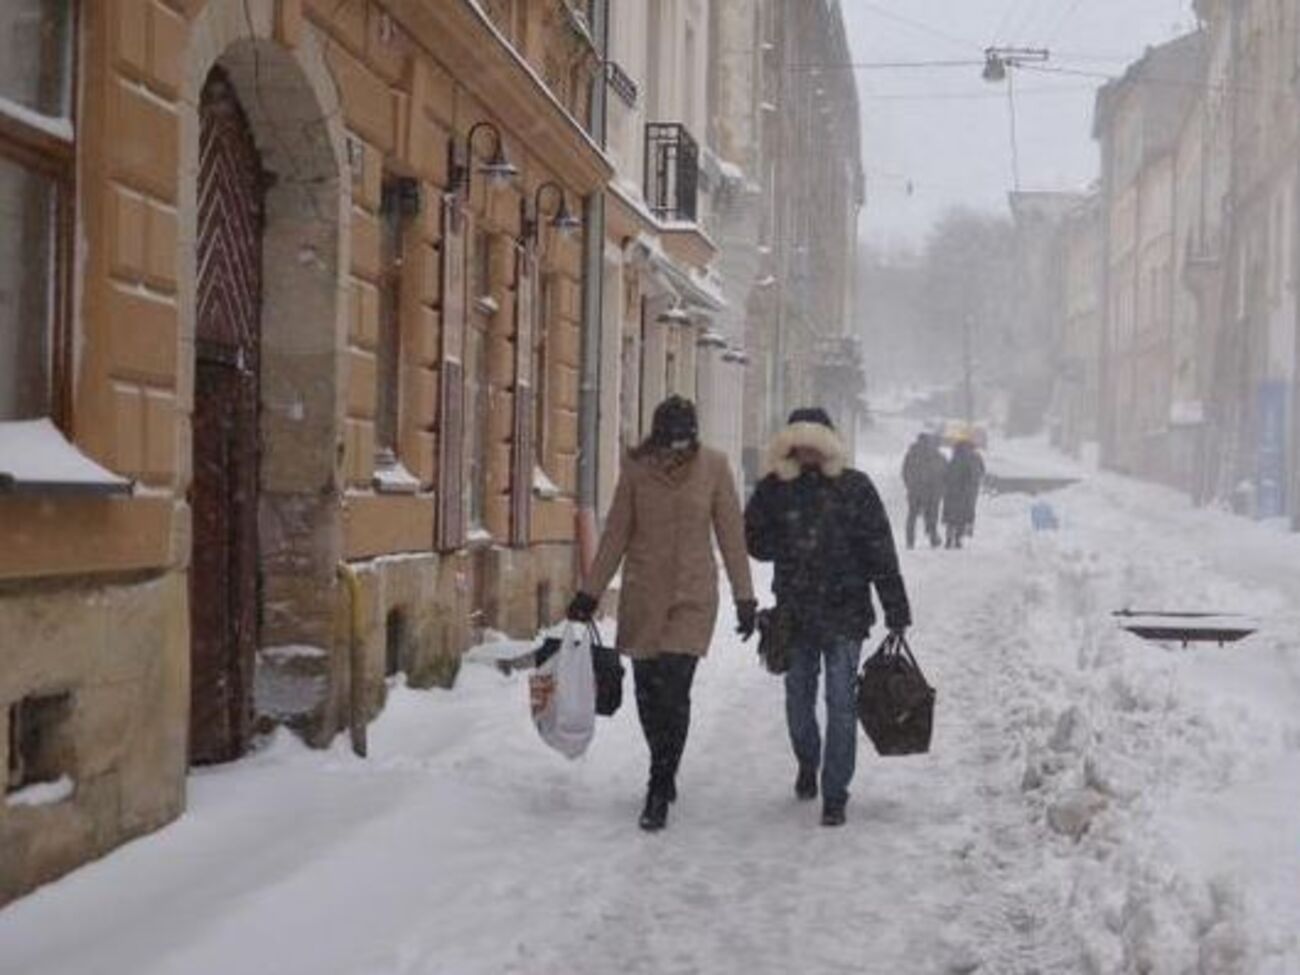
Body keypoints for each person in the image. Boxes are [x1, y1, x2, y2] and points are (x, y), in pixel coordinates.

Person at [567, 396, 755, 832]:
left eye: (685, 440)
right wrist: (589, 593)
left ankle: (659, 784)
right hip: (644, 596)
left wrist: (745, 598)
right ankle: (662, 759)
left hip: (692, 598)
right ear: (658, 435)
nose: (677, 448)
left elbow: (730, 534)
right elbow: (616, 533)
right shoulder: (637, 470)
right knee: (648, 696)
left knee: (675, 689)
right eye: (671, 440)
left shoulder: (714, 467)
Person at [744, 408, 912, 827]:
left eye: (815, 444)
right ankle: (807, 760)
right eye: (799, 444)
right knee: (798, 703)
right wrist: (771, 508)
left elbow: (880, 549)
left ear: (828, 444)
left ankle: (835, 792)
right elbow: (756, 544)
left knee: (841, 705)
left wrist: (896, 607)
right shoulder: (776, 489)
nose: (808, 452)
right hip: (795, 614)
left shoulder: (856, 488)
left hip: (845, 614)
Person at [901, 432, 947, 549]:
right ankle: (933, 538)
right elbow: (943, 474)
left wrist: (910, 486)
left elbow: (905, 472)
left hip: (915, 491)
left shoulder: (911, 454)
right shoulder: (936, 455)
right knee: (932, 516)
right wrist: (941, 489)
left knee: (912, 516)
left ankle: (910, 541)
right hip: (931, 492)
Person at [942, 439, 983, 548]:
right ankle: (958, 539)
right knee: (961, 517)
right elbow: (980, 473)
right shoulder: (974, 458)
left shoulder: (954, 459)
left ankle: (948, 538)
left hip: (951, 493)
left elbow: (945, 474)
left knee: (951, 517)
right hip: (965, 493)